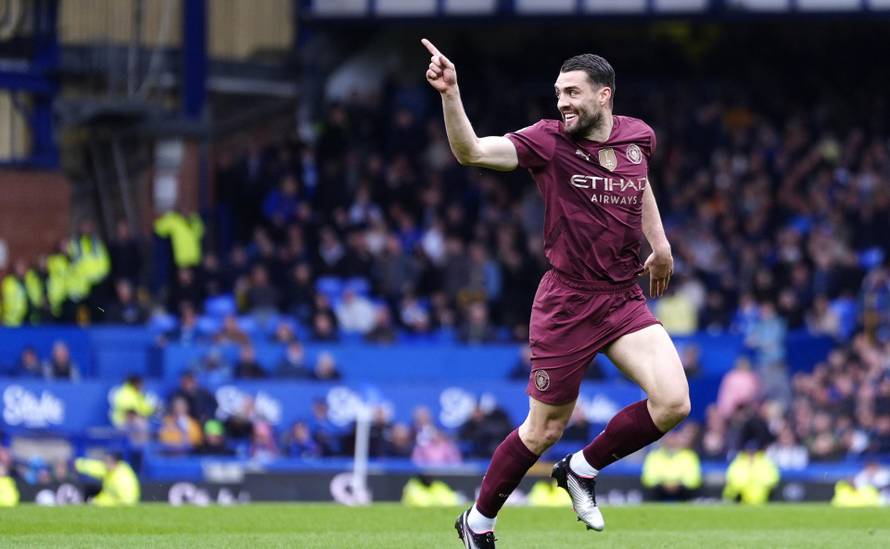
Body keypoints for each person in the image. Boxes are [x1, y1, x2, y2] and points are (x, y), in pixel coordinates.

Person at [422, 39, 689, 547]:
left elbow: (639, 182)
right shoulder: (547, 141)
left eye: (571, 92)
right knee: (542, 431)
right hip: (567, 303)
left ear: (604, 96)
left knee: (674, 402)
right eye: (558, 93)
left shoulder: (639, 137)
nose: (561, 102)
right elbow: (471, 151)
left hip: (622, 298)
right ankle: (477, 522)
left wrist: (661, 243)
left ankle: (581, 470)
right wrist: (450, 93)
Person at [74, 453, 140, 506]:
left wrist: (99, 503)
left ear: (115, 462)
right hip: (107, 499)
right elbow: (95, 467)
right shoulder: (110, 470)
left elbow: (127, 501)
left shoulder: (123, 478)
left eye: (108, 461)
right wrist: (78, 464)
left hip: (115, 504)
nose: (105, 464)